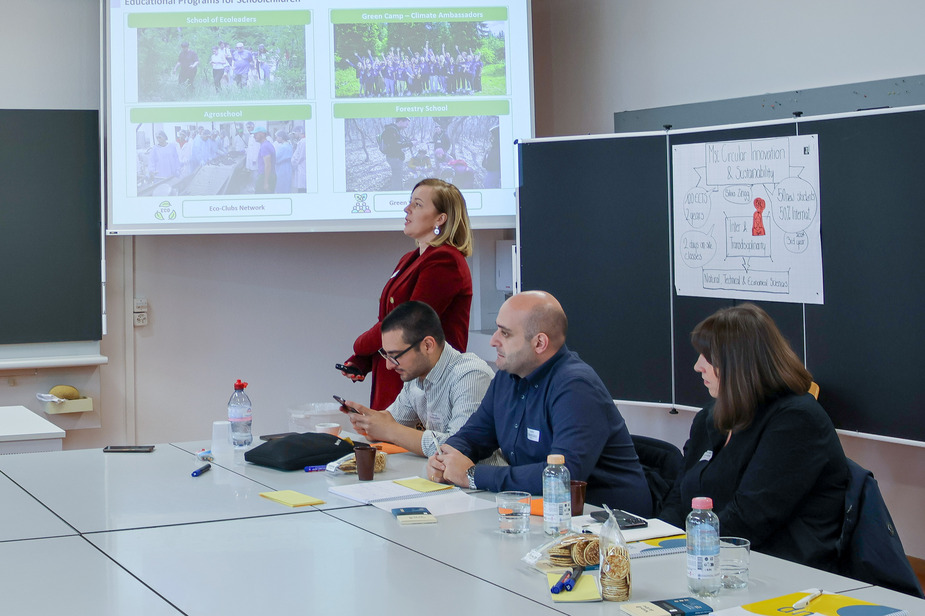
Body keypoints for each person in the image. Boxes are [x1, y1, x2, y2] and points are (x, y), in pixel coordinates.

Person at [658, 303, 848, 572]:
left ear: (739, 363)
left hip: (781, 571)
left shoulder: (796, 420)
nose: (697, 366)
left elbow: (749, 519)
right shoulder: (711, 416)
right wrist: (655, 543)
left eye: (708, 357)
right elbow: (679, 497)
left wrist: (685, 554)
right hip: (712, 561)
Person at [427, 291, 653, 516]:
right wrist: (445, 459)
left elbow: (562, 475)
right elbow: (472, 436)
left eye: (505, 333)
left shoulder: (576, 388)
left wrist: (472, 475)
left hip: (608, 520)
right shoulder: (508, 376)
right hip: (545, 512)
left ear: (540, 343)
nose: (493, 340)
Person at [342, 178, 474, 410]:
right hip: (395, 378)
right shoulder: (410, 259)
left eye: (418, 204)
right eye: (409, 202)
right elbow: (390, 319)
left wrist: (360, 345)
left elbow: (409, 323)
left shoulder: (445, 260)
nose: (407, 209)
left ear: (440, 219)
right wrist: (363, 360)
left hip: (424, 388)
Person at [340, 301, 496, 458]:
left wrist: (389, 430)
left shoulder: (471, 376)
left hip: (479, 474)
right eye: (386, 355)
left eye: (395, 356)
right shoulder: (416, 376)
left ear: (427, 345)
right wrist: (368, 422)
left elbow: (459, 449)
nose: (389, 366)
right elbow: (393, 419)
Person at [380, 117, 412, 190]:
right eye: (406, 124)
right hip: (394, 158)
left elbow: (397, 143)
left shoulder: (395, 130)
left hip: (394, 157)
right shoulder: (392, 130)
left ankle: (397, 190)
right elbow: (395, 145)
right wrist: (411, 144)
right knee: (397, 178)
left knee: (397, 177)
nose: (407, 126)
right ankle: (397, 191)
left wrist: (409, 141)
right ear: (401, 121)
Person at [252, 126, 276, 193]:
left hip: (266, 176)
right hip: (267, 175)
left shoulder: (265, 146)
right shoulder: (266, 144)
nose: (254, 136)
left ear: (262, 134)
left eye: (256, 134)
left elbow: (268, 165)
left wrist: (266, 182)